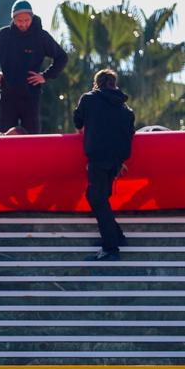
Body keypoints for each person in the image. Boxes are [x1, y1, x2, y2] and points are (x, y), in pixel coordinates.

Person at [73, 69, 136, 261]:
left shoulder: (88, 99)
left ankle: (111, 247)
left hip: (98, 158)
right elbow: (130, 134)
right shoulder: (126, 110)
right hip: (117, 161)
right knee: (101, 198)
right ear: (114, 84)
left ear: (97, 83)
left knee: (96, 198)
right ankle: (117, 237)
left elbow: (78, 122)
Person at [0, 0, 68, 134]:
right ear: (13, 19)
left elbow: (62, 57)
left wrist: (45, 76)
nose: (23, 24)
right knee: (5, 136)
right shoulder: (3, 36)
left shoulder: (41, 36)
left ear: (32, 18)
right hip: (7, 94)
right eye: (19, 21)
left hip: (31, 95)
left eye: (27, 20)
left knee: (32, 136)